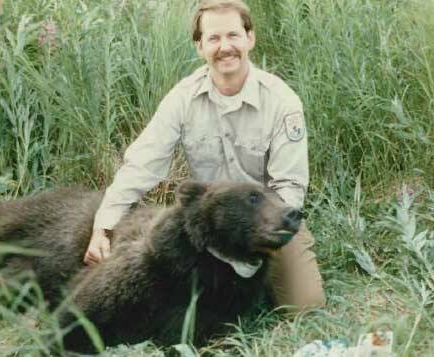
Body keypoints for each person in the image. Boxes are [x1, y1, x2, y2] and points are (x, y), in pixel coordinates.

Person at [84, 0, 325, 310]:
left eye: (233, 35)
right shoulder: (183, 98)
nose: (225, 47)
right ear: (200, 46)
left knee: (304, 304)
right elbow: (140, 165)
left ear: (249, 38)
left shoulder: (281, 101)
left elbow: (289, 186)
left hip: (265, 219)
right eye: (213, 38)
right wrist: (103, 226)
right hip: (211, 223)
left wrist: (264, 236)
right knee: (171, 301)